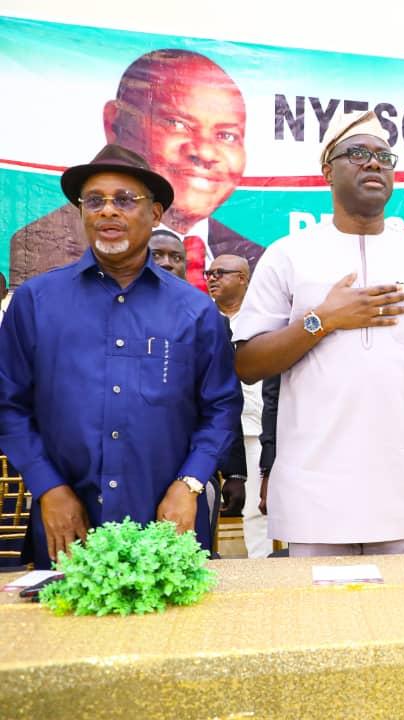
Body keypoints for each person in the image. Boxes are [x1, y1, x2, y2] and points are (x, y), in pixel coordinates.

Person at [232, 110, 404, 557]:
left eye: (384, 156)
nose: (374, 164)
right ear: (328, 169)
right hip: (314, 492)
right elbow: (247, 364)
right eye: (358, 153)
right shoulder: (288, 255)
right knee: (321, 624)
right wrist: (322, 320)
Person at [0, 144, 241, 568]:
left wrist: (189, 484)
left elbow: (221, 408)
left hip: (169, 525)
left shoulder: (195, 310)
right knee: (64, 634)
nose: (108, 211)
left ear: (156, 214)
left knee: (179, 634)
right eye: (95, 201)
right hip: (68, 530)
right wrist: (48, 488)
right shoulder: (36, 302)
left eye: (125, 200)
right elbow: (9, 405)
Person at [9, 49, 264, 291]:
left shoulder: (256, 261)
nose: (206, 153)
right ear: (114, 123)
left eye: (227, 135)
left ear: (155, 213)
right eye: (177, 123)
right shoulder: (42, 245)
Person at [206, 254, 269, 556]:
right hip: (211, 429)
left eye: (221, 272)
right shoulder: (201, 318)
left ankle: (261, 570)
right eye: (209, 272)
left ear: (243, 278)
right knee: (203, 501)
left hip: (253, 428)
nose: (212, 278)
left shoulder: (264, 320)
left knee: (256, 507)